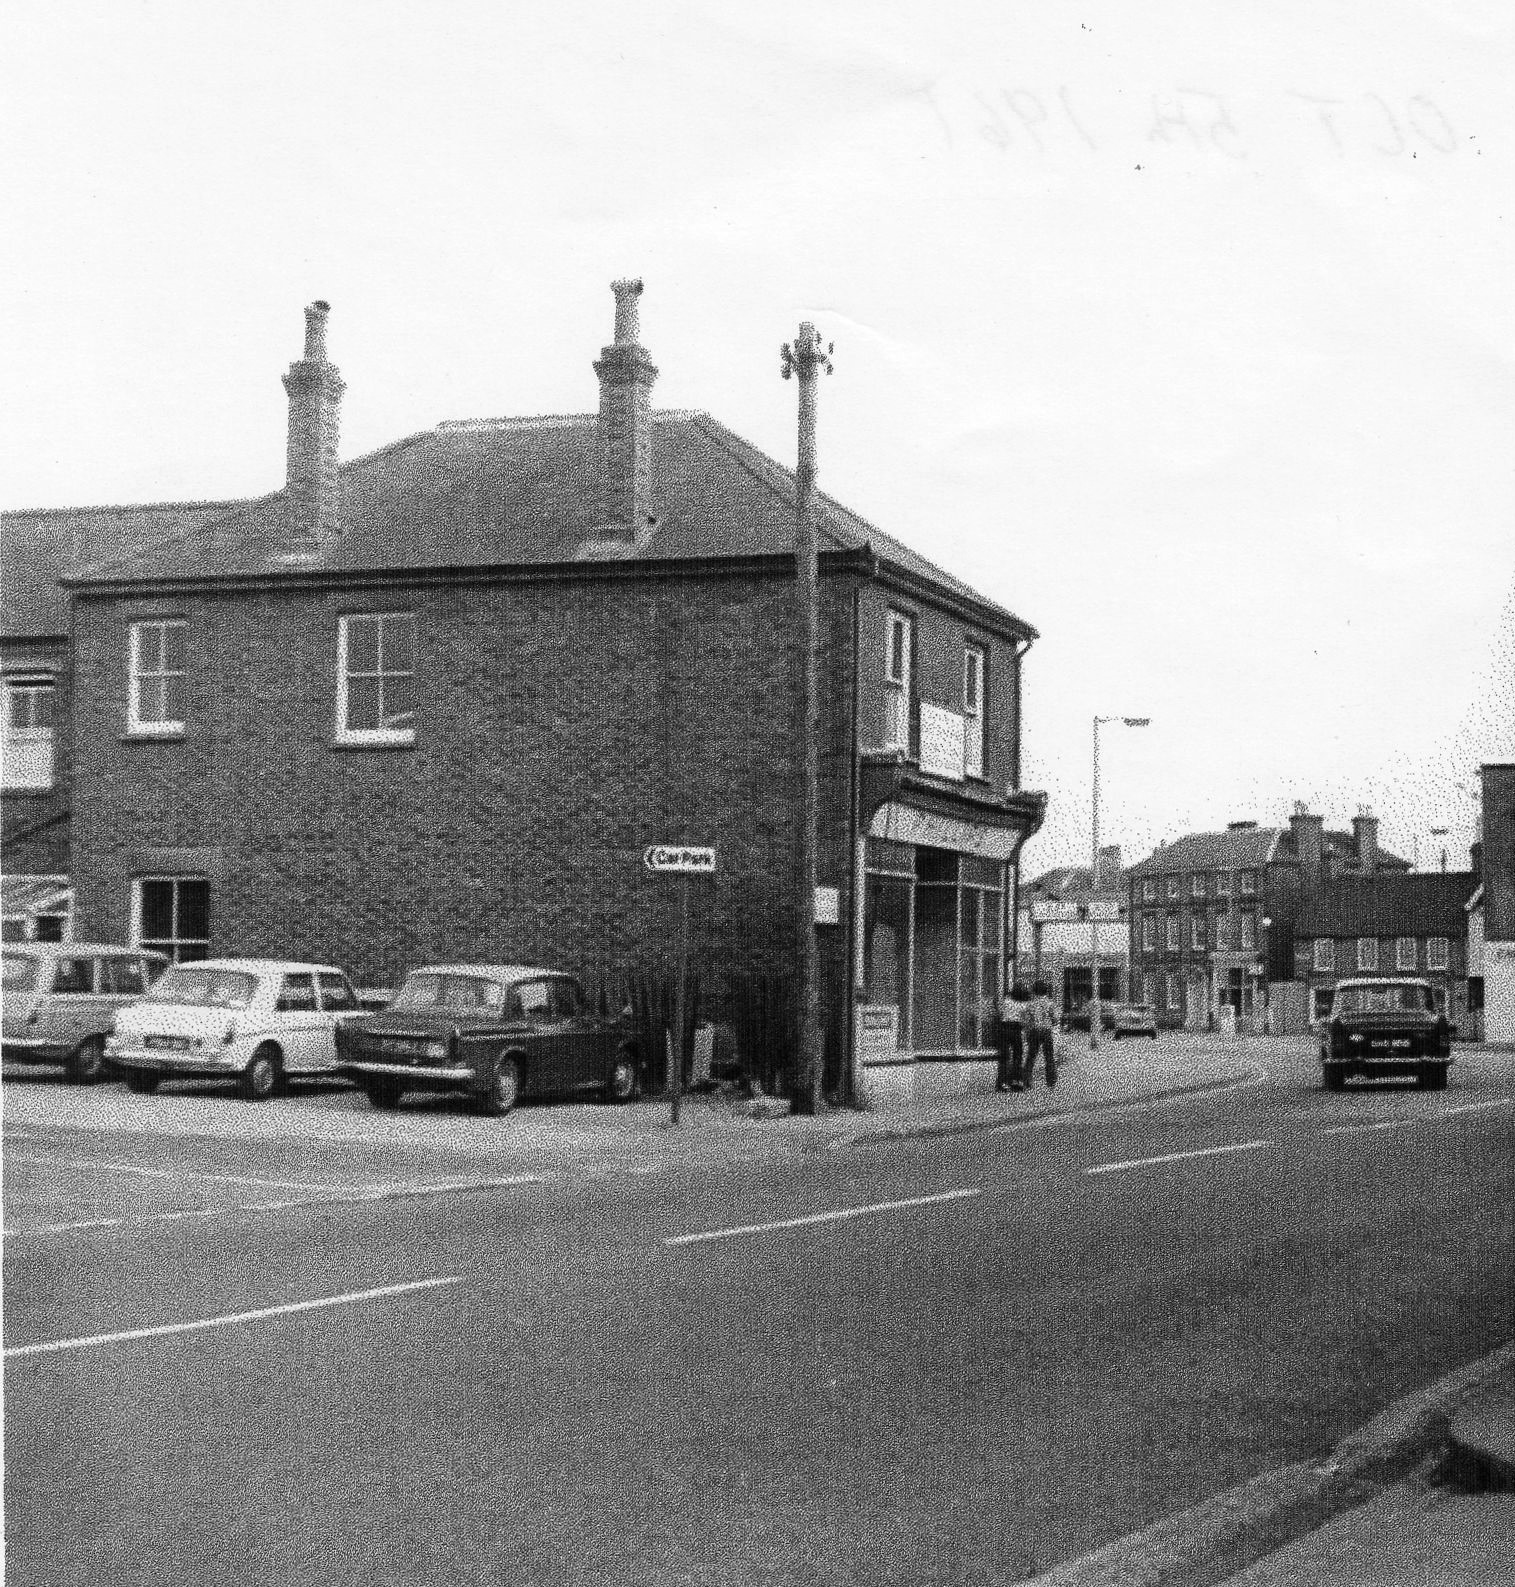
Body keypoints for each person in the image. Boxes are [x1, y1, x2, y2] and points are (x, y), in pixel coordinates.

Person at [996, 982, 1030, 1091]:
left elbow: (1000, 1012)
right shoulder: (1024, 1005)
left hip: (1004, 1028)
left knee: (1004, 1057)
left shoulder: (1006, 1001)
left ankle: (1002, 1083)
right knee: (1017, 1055)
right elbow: (1025, 1020)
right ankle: (1016, 1081)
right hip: (1016, 1029)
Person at [1025, 979, 1058, 1089]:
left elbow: (1027, 1020)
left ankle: (1027, 1080)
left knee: (1031, 1056)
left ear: (1034, 991)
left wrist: (1027, 1032)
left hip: (1034, 1031)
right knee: (1049, 1056)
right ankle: (1051, 1081)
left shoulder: (1030, 1004)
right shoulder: (1050, 1003)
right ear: (1045, 991)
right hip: (1046, 1031)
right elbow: (1055, 1019)